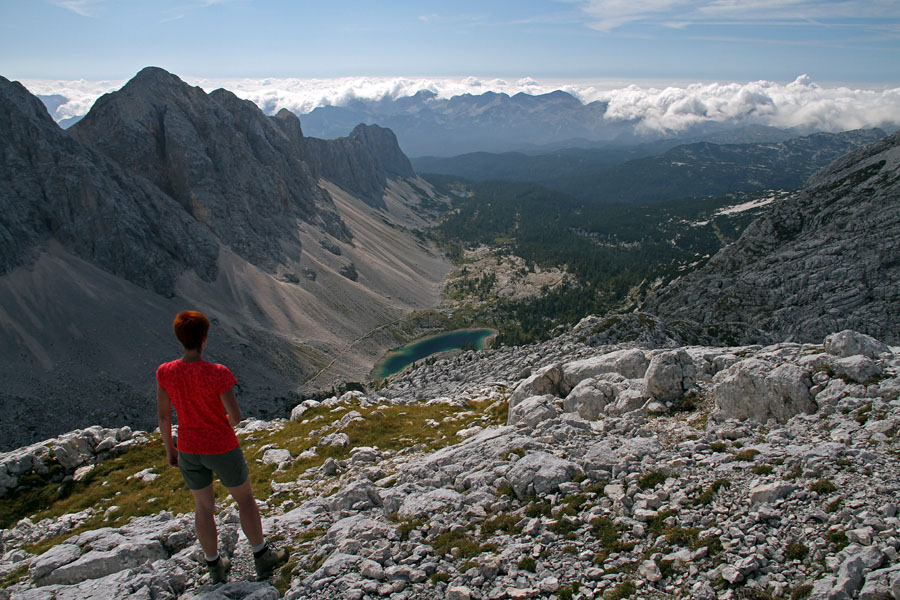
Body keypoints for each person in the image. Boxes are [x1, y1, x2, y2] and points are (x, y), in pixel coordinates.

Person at [156, 310, 288, 583]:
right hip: (222, 446)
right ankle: (262, 556)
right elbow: (236, 418)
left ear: (180, 339)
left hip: (189, 449)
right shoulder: (218, 373)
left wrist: (171, 449)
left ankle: (214, 566)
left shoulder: (166, 373)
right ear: (204, 339)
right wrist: (221, 421)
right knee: (245, 499)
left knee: (203, 508)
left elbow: (164, 416)